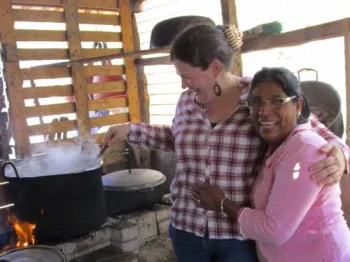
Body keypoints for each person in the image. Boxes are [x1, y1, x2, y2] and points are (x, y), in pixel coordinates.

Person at [103, 23, 349, 262]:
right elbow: (177, 139)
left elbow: (321, 134)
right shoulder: (187, 102)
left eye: (187, 76)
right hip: (186, 227)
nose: (183, 84)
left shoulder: (261, 97)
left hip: (236, 236)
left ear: (214, 68)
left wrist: (339, 153)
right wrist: (129, 131)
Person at [193, 67, 350, 261]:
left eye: (277, 101)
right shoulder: (279, 145)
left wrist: (222, 204)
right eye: (256, 102)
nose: (264, 112)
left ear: (298, 104)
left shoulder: (305, 150)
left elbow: (274, 229)